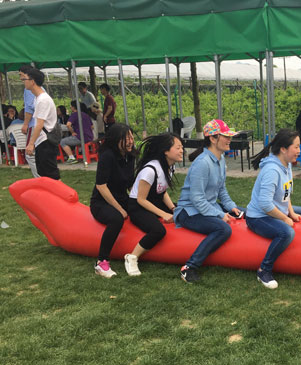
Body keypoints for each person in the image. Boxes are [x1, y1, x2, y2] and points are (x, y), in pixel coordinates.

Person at [175, 119, 242, 283]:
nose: (229, 140)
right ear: (213, 138)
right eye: (225, 136)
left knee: (242, 211)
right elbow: (197, 199)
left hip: (207, 206)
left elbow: (221, 189)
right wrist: (219, 214)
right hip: (189, 212)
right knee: (223, 229)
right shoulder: (202, 163)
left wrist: (231, 207)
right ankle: (189, 267)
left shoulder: (221, 159)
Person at [246, 129, 301, 289]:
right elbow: (265, 204)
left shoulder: (286, 165)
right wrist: (284, 218)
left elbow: (286, 193)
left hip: (276, 211)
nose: (299, 151)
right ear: (283, 149)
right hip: (258, 217)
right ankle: (264, 270)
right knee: (287, 233)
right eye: (296, 147)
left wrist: (291, 213)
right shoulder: (272, 170)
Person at [125, 133, 183, 276]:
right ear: (166, 151)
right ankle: (132, 257)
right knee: (158, 231)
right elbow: (141, 200)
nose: (182, 151)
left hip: (154, 201)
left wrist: (173, 208)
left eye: (182, 147)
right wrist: (163, 214)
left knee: (183, 211)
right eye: (178, 148)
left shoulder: (169, 167)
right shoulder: (150, 171)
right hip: (138, 206)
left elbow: (162, 191)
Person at [90, 124, 137, 278]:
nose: (131, 141)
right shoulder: (107, 156)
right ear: (117, 140)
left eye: (131, 136)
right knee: (116, 219)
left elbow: (130, 184)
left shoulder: (130, 156)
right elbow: (101, 186)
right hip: (101, 202)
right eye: (127, 138)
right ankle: (101, 262)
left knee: (143, 209)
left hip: (122, 198)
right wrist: (120, 209)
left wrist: (140, 201)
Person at [23, 68, 60, 180]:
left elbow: (39, 124)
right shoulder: (38, 98)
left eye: (25, 79)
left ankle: (59, 191)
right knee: (44, 172)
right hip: (42, 141)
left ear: (32, 81)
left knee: (51, 175)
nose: (23, 81)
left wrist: (31, 143)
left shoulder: (43, 100)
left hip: (46, 141)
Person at [18, 65, 39, 177]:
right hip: (41, 124)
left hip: (34, 124)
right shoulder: (41, 88)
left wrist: (25, 124)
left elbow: (30, 108)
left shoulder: (29, 88)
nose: (20, 78)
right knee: (40, 154)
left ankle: (39, 179)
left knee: (30, 154)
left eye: (21, 75)